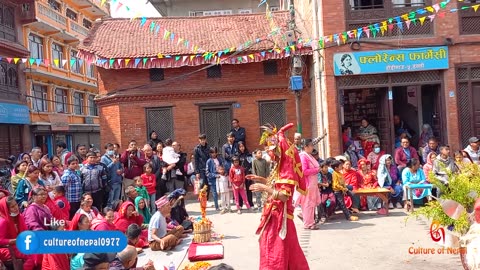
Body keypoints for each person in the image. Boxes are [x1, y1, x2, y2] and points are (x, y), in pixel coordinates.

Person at [246, 123, 310, 269]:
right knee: (281, 251)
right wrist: (261, 179)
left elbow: (284, 197)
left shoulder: (286, 171)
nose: (269, 152)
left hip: (281, 219)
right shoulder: (279, 168)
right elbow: (274, 184)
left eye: (271, 149)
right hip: (274, 215)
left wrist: (263, 187)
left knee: (277, 252)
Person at [0, 196, 37, 269]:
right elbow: (1, 241)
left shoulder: (19, 217)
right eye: (12, 207)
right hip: (7, 249)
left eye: (16, 204)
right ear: (6, 209)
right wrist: (14, 241)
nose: (16, 208)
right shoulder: (3, 222)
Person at [295, 139, 321, 230]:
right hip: (307, 184)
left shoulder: (309, 156)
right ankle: (309, 223)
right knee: (308, 204)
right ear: (305, 147)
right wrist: (317, 170)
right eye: (311, 145)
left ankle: (308, 219)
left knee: (311, 204)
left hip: (312, 183)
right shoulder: (303, 156)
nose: (312, 147)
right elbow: (304, 171)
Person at [206, 147, 223, 211]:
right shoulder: (209, 161)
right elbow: (207, 173)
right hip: (213, 180)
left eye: (215, 152)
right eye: (212, 152)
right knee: (215, 193)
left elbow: (222, 167)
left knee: (222, 191)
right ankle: (216, 206)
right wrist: (215, 175)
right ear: (210, 153)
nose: (214, 154)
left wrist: (222, 173)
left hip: (220, 178)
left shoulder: (219, 159)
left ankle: (223, 205)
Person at [194, 134, 210, 198]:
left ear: (205, 139)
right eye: (201, 140)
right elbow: (196, 161)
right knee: (202, 184)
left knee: (208, 184)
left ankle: (207, 199)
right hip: (201, 169)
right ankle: (202, 199)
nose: (203, 141)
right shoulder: (197, 149)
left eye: (204, 139)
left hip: (208, 169)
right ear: (199, 140)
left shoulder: (209, 148)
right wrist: (197, 172)